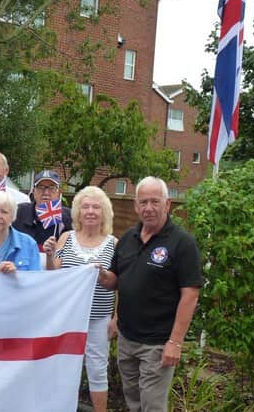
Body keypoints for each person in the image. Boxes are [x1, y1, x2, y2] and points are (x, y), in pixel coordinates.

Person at [98, 176, 202, 412]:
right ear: (136, 206)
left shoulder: (182, 243)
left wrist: (175, 342)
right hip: (127, 339)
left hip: (157, 343)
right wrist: (100, 276)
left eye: (155, 202)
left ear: (167, 205)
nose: (148, 208)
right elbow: (115, 280)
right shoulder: (127, 239)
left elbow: (190, 295)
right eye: (143, 202)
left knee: (152, 405)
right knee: (133, 402)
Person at [44, 186, 116, 411]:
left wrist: (117, 318)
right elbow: (53, 274)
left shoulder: (114, 244)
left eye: (96, 207)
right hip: (67, 317)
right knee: (63, 366)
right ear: (78, 212)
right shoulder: (65, 238)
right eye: (85, 206)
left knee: (97, 369)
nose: (91, 211)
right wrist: (48, 254)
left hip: (98, 318)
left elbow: (120, 283)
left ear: (104, 212)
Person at [13, 169, 72, 263]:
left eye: (52, 188)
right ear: (33, 191)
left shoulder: (69, 217)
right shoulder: (18, 212)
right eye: (41, 187)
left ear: (59, 193)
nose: (46, 193)